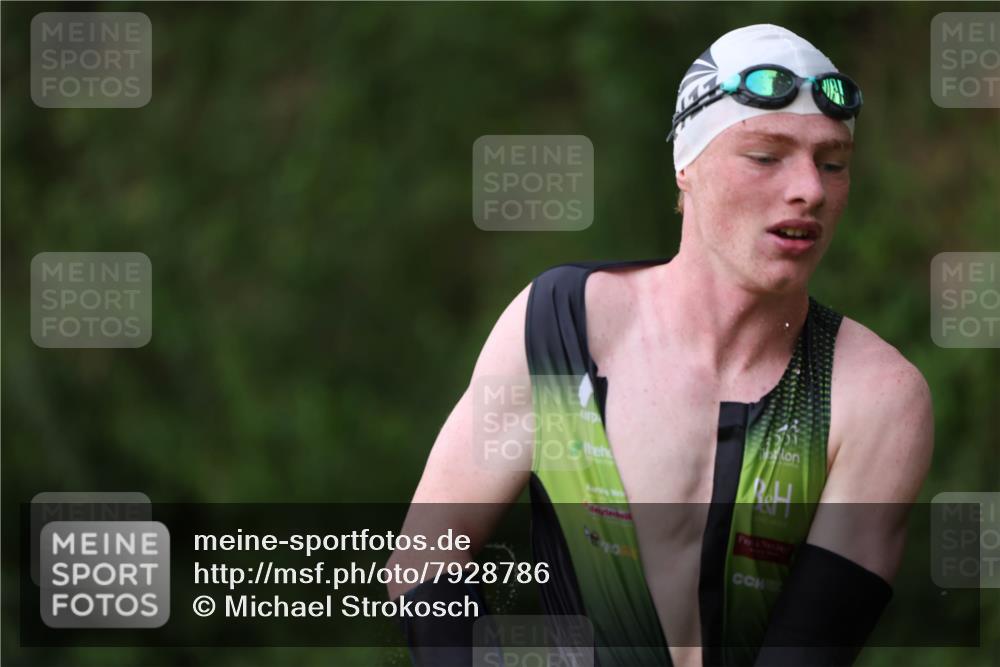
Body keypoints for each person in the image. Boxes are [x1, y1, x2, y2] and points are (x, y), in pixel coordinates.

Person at [387, 23, 933, 667]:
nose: (809, 190)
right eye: (766, 157)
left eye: (832, 164)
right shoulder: (561, 327)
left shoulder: (876, 394)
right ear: (686, 167)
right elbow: (423, 565)